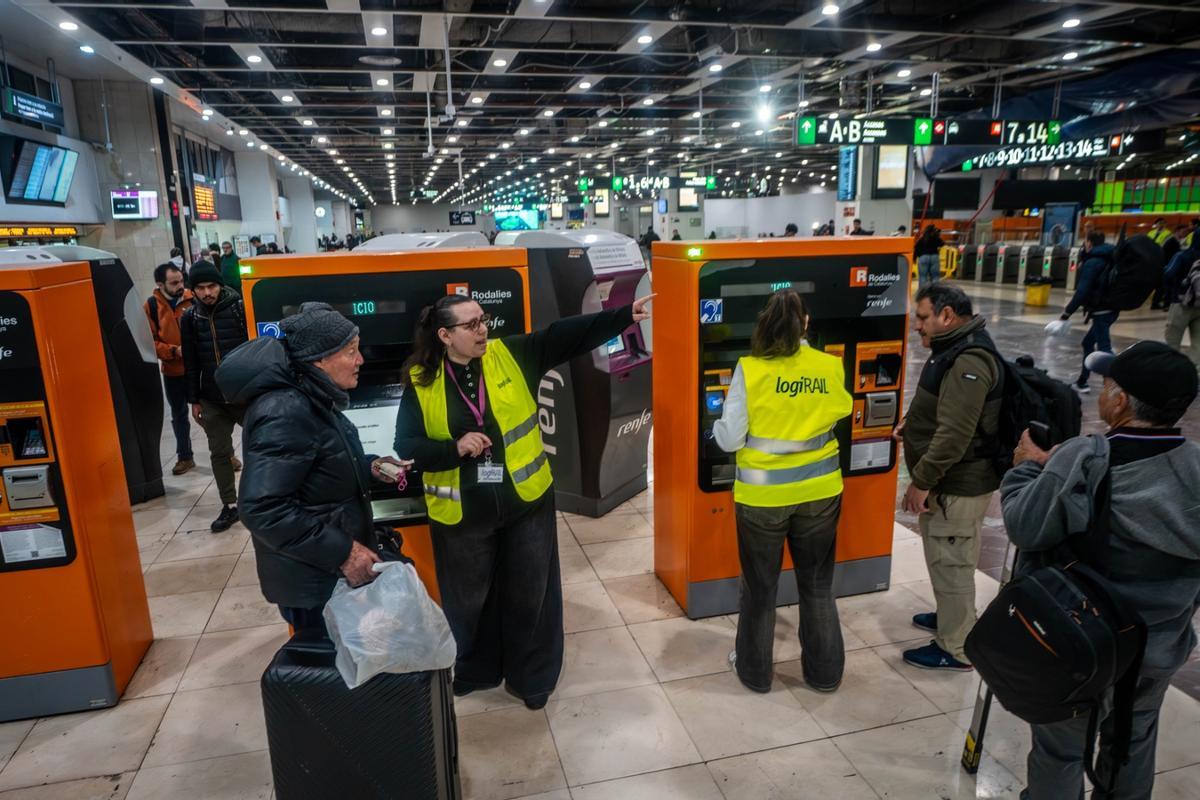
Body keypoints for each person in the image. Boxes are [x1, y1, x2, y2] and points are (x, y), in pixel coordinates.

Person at [394, 292, 654, 710]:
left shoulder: (511, 354)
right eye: (471, 325)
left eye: (484, 320)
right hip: (461, 512)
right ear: (444, 335)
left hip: (525, 501)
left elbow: (567, 335)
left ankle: (532, 677)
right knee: (468, 599)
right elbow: (405, 443)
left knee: (531, 592)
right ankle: (476, 668)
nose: (483, 330)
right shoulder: (422, 382)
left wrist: (622, 315)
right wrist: (454, 448)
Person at [1000, 341, 1199, 800]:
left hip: (1081, 647)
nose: (1103, 394)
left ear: (1120, 401)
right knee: (1131, 744)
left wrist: (1028, 471)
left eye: (1107, 385)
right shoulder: (1196, 468)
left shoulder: (1086, 458)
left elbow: (1025, 526)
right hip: (1157, 647)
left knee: (1060, 752)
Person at [217, 303, 409, 636]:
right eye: (351, 352)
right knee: (335, 675)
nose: (361, 360)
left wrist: (371, 466)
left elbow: (319, 467)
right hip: (314, 582)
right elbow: (262, 508)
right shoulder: (285, 410)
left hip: (324, 573)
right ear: (319, 359)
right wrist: (344, 552)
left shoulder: (312, 397)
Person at [713, 289, 853, 693]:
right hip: (821, 494)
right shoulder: (829, 366)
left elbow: (730, 438)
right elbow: (840, 412)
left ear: (764, 325)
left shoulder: (750, 369)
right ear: (805, 323)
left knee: (760, 590)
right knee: (817, 585)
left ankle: (755, 674)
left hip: (762, 500)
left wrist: (717, 430)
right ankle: (825, 675)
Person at [899, 283, 1002, 671]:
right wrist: (911, 426)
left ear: (947, 315)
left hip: (958, 484)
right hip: (957, 481)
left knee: (952, 561)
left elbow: (955, 434)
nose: (917, 326)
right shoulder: (954, 349)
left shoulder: (968, 361)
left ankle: (955, 647)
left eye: (923, 317)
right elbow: (943, 411)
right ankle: (951, 618)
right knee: (951, 558)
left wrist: (920, 481)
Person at [180, 261, 248, 533]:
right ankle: (230, 505)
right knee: (219, 453)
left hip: (244, 394)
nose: (207, 292)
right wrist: (193, 400)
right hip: (211, 398)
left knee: (262, 446)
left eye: (211, 286)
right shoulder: (190, 318)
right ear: (193, 290)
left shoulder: (239, 308)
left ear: (220, 285)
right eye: (200, 288)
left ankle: (264, 498)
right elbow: (191, 361)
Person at [145, 263, 195, 476]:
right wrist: (174, 351)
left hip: (197, 369)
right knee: (179, 415)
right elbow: (150, 341)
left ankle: (225, 454)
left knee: (213, 413)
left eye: (181, 281)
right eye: (174, 283)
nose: (180, 286)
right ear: (160, 284)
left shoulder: (193, 298)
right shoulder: (152, 307)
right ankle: (185, 457)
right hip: (173, 372)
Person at [1060, 231, 1117, 394]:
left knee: (1104, 349)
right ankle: (1082, 381)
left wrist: (1066, 313)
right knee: (1087, 343)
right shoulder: (1110, 257)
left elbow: (1082, 291)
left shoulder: (1093, 262)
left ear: (1089, 243)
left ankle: (1117, 388)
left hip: (1101, 310)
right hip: (1112, 308)